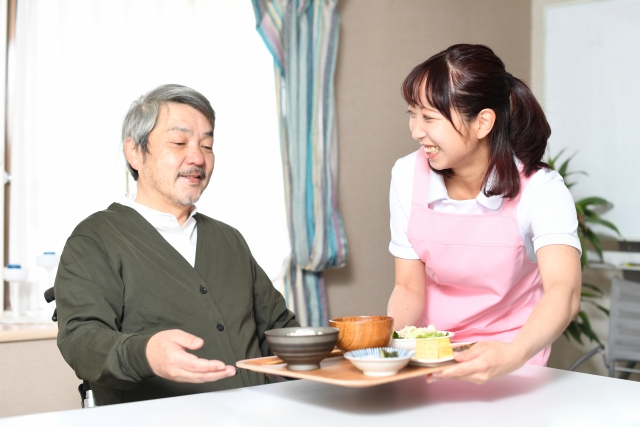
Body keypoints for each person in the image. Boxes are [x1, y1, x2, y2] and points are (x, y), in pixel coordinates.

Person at [55, 84, 299, 405]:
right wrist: (146, 354)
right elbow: (81, 341)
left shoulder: (229, 239)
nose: (197, 157)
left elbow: (279, 328)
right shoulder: (95, 239)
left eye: (207, 145)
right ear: (135, 152)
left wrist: (345, 349)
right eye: (179, 142)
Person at [387, 44, 582, 384]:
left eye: (429, 117)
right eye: (412, 114)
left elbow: (564, 291)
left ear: (482, 122)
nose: (416, 130)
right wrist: (387, 348)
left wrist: (514, 353)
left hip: (513, 358)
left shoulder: (540, 188)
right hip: (433, 356)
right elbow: (407, 287)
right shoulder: (407, 174)